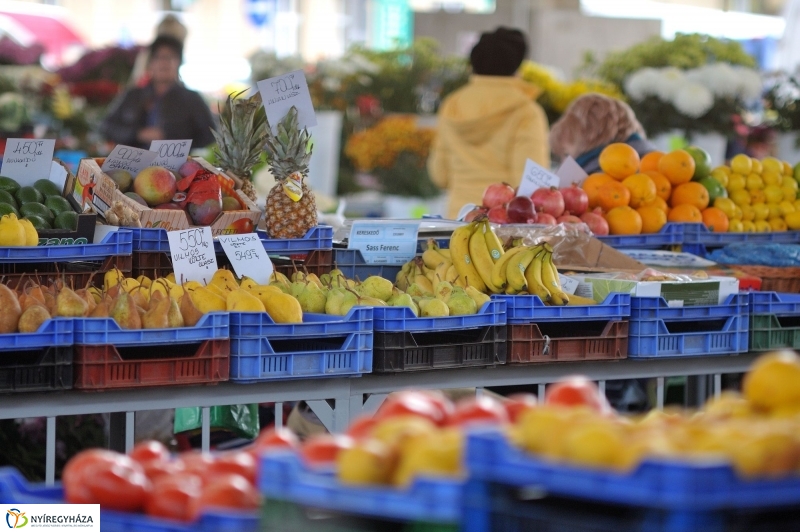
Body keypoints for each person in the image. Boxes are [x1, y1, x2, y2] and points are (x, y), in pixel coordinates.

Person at [428, 27, 550, 219]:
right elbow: (531, 186)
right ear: (517, 64)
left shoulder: (452, 104)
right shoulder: (526, 111)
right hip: (504, 227)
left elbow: (439, 175)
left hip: (457, 221)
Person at [101, 35, 215, 149]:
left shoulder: (192, 99)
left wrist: (171, 140)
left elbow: (210, 135)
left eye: (170, 57)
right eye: (158, 57)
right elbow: (107, 127)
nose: (164, 63)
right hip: (132, 163)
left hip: (178, 165)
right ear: (150, 63)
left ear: (178, 62)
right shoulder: (133, 95)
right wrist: (138, 134)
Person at [549, 93, 655, 175]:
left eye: (566, 154)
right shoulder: (657, 162)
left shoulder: (592, 182)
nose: (564, 163)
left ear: (590, 136)